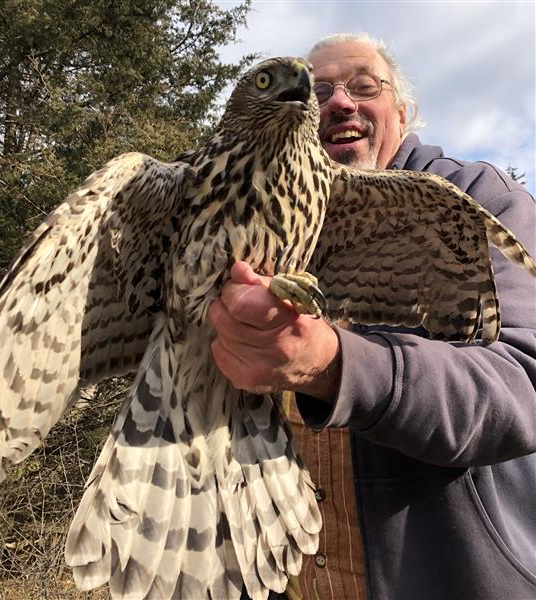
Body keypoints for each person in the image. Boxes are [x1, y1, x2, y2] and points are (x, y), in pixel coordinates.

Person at [209, 33, 536, 600]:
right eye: (317, 93)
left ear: (403, 114)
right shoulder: (255, 213)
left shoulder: (469, 194)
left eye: (365, 87)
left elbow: (524, 384)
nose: (339, 102)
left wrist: (336, 366)